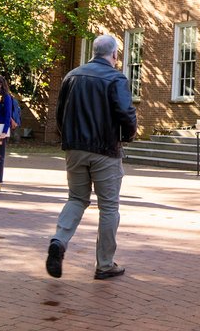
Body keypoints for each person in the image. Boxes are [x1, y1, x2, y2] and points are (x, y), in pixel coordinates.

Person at [45, 34, 137, 281]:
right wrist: (126, 137)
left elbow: (60, 112)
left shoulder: (71, 76)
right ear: (115, 54)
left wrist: (69, 138)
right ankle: (105, 264)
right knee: (108, 207)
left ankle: (59, 240)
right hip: (105, 149)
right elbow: (126, 114)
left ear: (94, 52)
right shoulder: (115, 78)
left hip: (74, 148)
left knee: (76, 198)